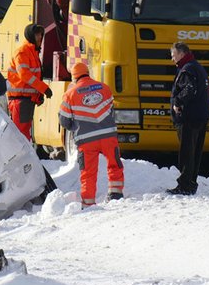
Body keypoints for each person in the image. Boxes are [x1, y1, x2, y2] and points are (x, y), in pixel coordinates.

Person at [59, 61, 125, 207]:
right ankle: (116, 194)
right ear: (87, 73)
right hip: (108, 135)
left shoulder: (69, 94)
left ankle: (88, 203)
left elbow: (64, 121)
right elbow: (112, 110)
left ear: (74, 78)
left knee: (88, 172)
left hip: (86, 140)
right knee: (114, 164)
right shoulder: (104, 88)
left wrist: (75, 127)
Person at [167, 42, 209, 195]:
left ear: (181, 53)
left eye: (173, 55)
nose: (172, 59)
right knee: (195, 152)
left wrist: (178, 102)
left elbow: (189, 88)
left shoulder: (187, 69)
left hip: (189, 118)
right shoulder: (197, 67)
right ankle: (191, 183)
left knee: (187, 152)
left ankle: (184, 185)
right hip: (201, 116)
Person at [6, 23, 53, 141]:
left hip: (25, 100)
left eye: (41, 35)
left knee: (23, 134)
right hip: (20, 101)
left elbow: (31, 78)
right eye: (37, 35)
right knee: (21, 135)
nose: (40, 38)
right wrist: (43, 88)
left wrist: (38, 95)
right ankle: (22, 158)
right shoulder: (23, 52)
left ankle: (25, 158)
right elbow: (25, 75)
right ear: (30, 36)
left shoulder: (32, 52)